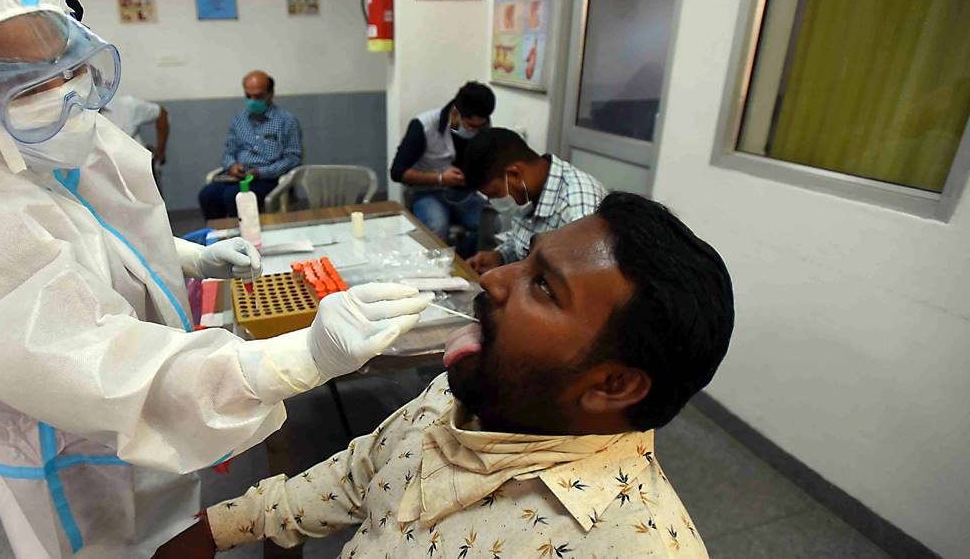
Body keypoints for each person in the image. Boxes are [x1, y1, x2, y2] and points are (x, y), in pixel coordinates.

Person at [0, 0, 429, 558]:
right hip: (77, 465)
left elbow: (87, 233)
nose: (67, 97)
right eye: (31, 87)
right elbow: (105, 368)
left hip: (152, 453)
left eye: (73, 69)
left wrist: (185, 257)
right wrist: (292, 357)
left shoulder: (50, 135)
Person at [161, 192, 735, 559]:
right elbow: (365, 471)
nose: (494, 281)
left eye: (543, 286)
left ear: (614, 385)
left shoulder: (630, 545)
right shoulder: (469, 393)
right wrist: (224, 524)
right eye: (526, 259)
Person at [464, 127, 606, 273]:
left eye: (496, 193)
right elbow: (526, 241)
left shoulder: (577, 210)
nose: (495, 201)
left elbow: (582, 283)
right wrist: (500, 256)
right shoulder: (531, 190)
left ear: (514, 174)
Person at [389, 81, 494, 258]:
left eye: (479, 126)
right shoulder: (424, 126)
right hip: (426, 193)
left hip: (463, 193)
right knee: (437, 225)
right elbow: (397, 173)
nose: (474, 131)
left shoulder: (482, 126)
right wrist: (440, 178)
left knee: (490, 223)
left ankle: (465, 264)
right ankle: (437, 273)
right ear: (456, 112)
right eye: (470, 125)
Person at [197, 71, 302, 219]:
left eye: (258, 96)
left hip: (269, 179)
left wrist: (261, 172)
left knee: (233, 197)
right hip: (239, 177)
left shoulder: (287, 120)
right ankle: (220, 236)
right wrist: (232, 165)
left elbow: (293, 158)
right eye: (248, 96)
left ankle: (244, 238)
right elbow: (228, 151)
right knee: (207, 195)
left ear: (270, 94)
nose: (252, 101)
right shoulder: (239, 119)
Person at [101, 94, 169, 165]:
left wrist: (161, 151)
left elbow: (162, 114)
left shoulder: (127, 105)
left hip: (139, 167)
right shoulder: (89, 114)